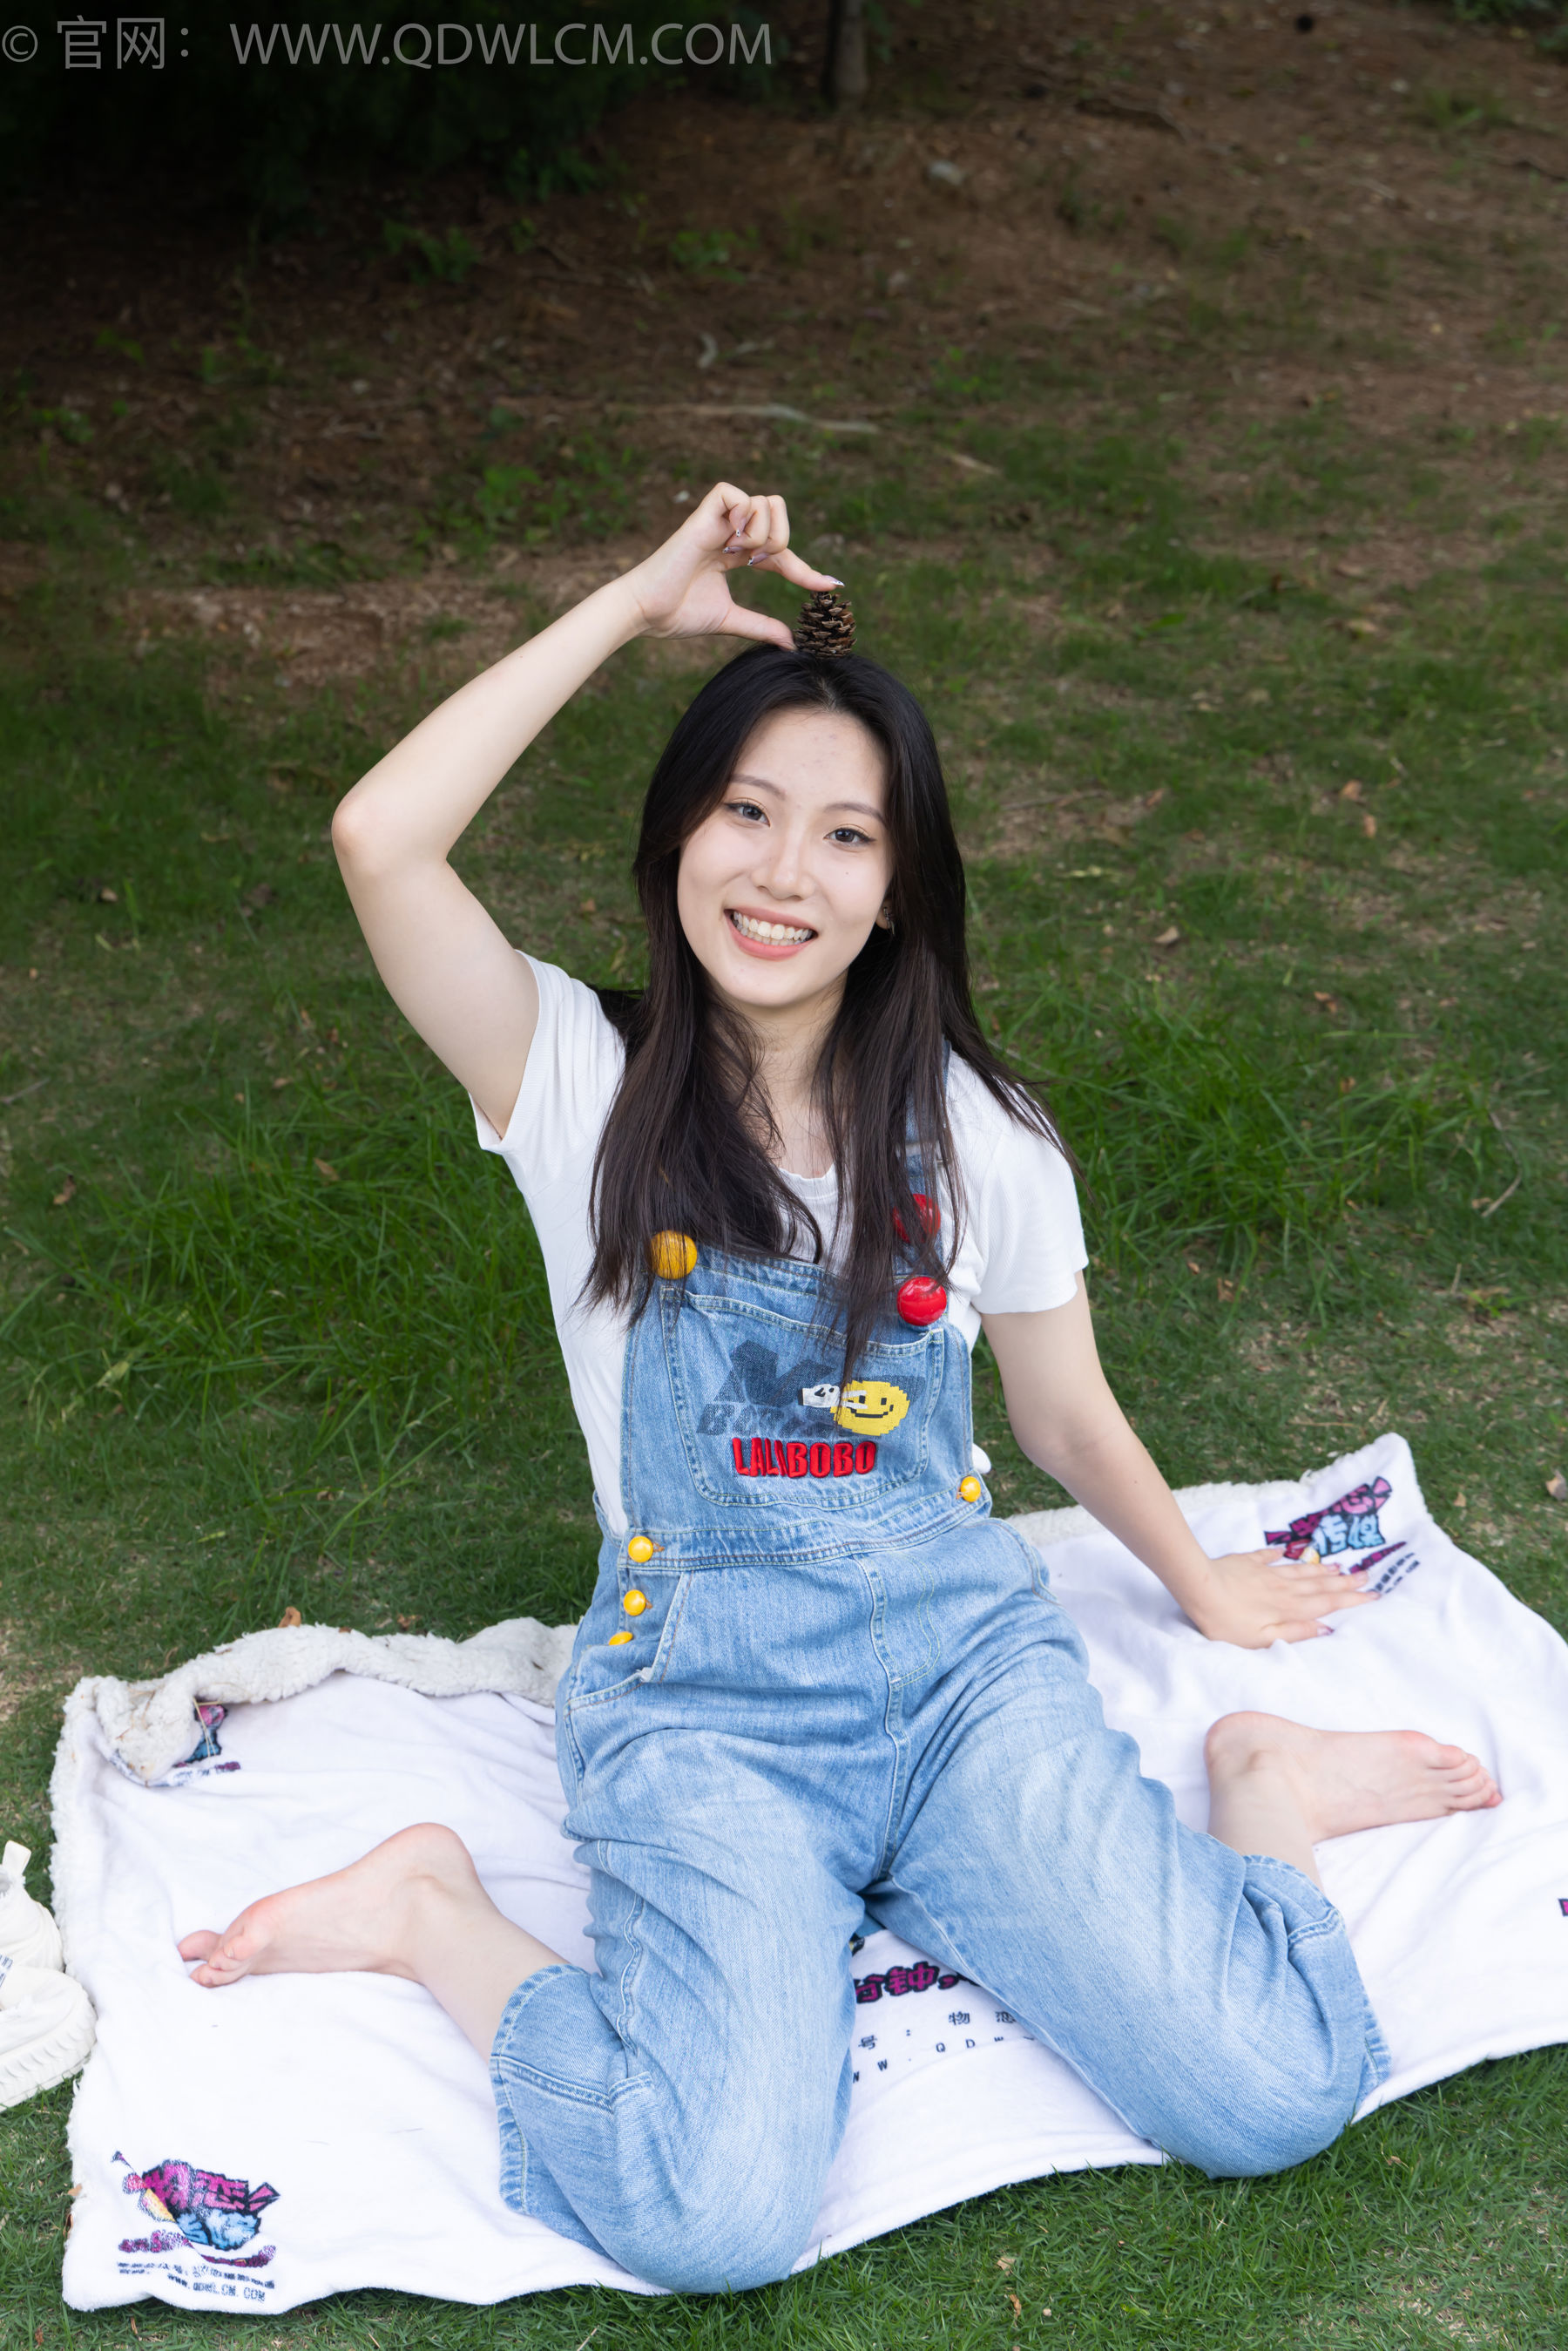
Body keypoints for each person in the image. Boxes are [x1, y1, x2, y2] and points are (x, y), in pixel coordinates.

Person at [179, 484, 1500, 2293]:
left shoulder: (976, 1130)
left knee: (1274, 2087)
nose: (784, 873)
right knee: (706, 2215)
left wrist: (1200, 1583)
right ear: (678, 835)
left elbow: (1062, 1412)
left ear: (896, 893)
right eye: (746, 810)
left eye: (847, 835)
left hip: (963, 1681)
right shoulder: (574, 1078)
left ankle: (1260, 1784)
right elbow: (380, 835)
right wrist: (634, 605)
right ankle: (429, 1909)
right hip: (705, 1717)